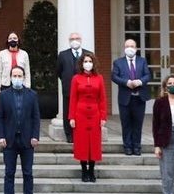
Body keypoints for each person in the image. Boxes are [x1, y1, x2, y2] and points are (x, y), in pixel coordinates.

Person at [0, 66, 40, 194]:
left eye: (19, 75)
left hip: (27, 141)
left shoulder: (32, 95)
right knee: (9, 173)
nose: (17, 78)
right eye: (14, 75)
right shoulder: (3, 95)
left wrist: (35, 136)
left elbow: (36, 117)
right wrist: (0, 136)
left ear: (24, 77)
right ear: (10, 77)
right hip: (9, 140)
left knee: (28, 173)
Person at [69, 52, 107, 182]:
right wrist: (72, 117)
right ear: (81, 64)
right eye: (85, 61)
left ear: (94, 63)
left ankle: (91, 170)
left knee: (94, 144)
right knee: (82, 143)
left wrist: (103, 117)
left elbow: (102, 99)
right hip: (80, 114)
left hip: (95, 114)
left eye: (90, 61)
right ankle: (84, 171)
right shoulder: (76, 78)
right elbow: (73, 99)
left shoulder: (99, 78)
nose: (88, 64)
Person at [111, 39, 151, 156]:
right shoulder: (118, 62)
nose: (130, 48)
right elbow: (114, 76)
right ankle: (127, 147)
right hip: (125, 98)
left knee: (138, 124)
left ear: (136, 48)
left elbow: (148, 75)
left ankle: (137, 147)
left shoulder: (142, 61)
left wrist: (140, 81)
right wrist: (126, 82)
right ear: (124, 48)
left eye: (132, 46)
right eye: (127, 46)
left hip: (139, 98)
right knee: (126, 123)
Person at [56, 33, 92, 144]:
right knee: (68, 111)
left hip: (85, 89)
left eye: (76, 38)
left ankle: (82, 133)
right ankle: (69, 134)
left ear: (80, 40)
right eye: (72, 39)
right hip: (68, 88)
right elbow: (59, 71)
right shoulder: (63, 55)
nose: (74, 40)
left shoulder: (88, 54)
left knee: (83, 111)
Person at [0, 31, 31, 98]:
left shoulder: (24, 54)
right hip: (6, 85)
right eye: (10, 38)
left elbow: (27, 72)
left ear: (18, 40)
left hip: (21, 85)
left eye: (14, 38)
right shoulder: (2, 54)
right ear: (7, 41)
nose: (12, 40)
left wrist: (28, 87)